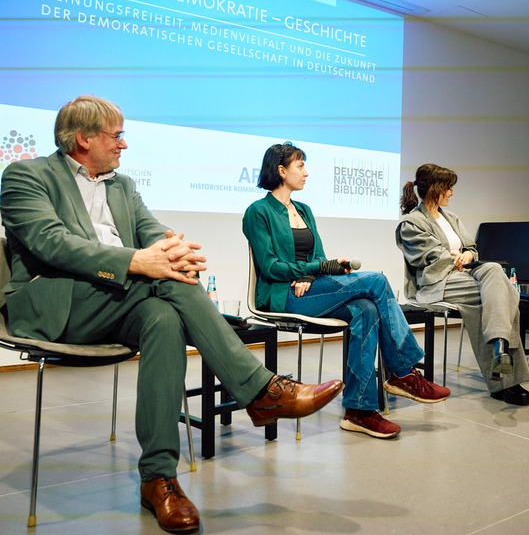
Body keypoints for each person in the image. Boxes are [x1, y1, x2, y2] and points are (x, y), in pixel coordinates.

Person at [0, 95, 344, 533]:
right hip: (57, 306)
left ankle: (158, 478)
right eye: (116, 136)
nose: (124, 144)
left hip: (117, 301)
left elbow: (150, 229)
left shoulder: (122, 185)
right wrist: (138, 261)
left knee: (163, 318)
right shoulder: (26, 176)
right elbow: (53, 243)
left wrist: (172, 249)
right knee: (167, 281)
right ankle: (260, 391)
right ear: (83, 138)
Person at [243, 143, 450, 440]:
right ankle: (403, 371)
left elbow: (318, 256)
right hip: (282, 295)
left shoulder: (304, 210)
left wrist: (312, 272)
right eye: (300, 166)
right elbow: (270, 267)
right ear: (281, 171)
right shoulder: (258, 211)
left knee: (366, 310)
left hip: (310, 288)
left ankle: (359, 411)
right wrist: (312, 270)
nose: (306, 172)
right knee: (376, 281)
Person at [396, 163, 529, 405]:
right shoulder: (411, 223)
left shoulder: (451, 218)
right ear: (434, 189)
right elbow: (427, 256)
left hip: (464, 277)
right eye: (448, 187)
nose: (451, 192)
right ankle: (506, 377)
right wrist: (455, 259)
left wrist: (467, 255)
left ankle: (500, 347)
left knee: (494, 270)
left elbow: (471, 248)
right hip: (436, 283)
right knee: (500, 295)